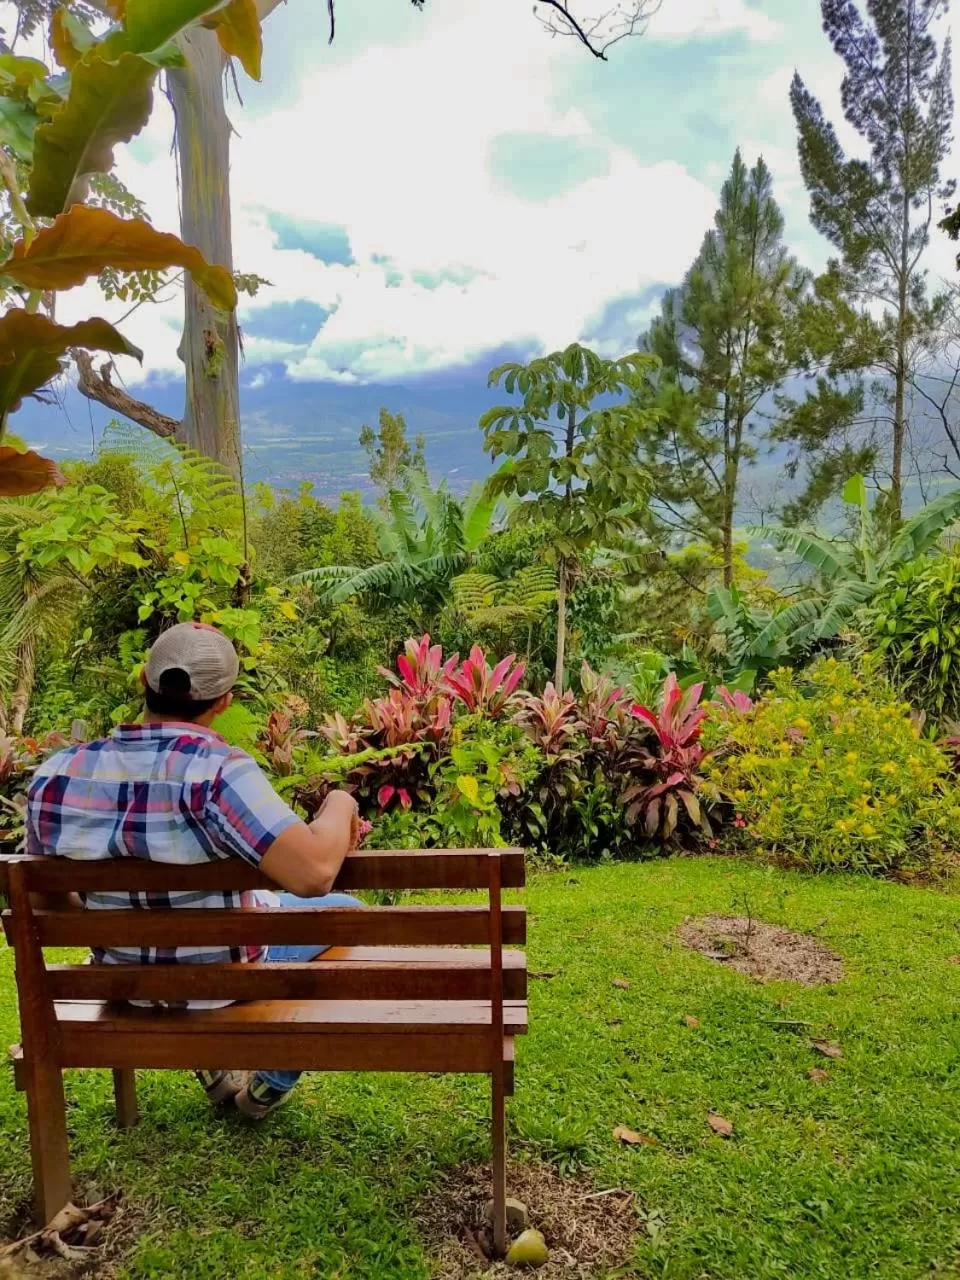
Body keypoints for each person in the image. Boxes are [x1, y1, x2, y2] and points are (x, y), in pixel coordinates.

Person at [25, 620, 362, 1119]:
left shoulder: (57, 774)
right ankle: (270, 1082)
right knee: (348, 913)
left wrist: (118, 923)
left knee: (257, 910)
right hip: (222, 986)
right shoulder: (219, 771)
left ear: (144, 679)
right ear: (223, 701)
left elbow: (44, 899)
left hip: (124, 983)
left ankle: (214, 1067)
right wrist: (339, 803)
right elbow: (313, 874)